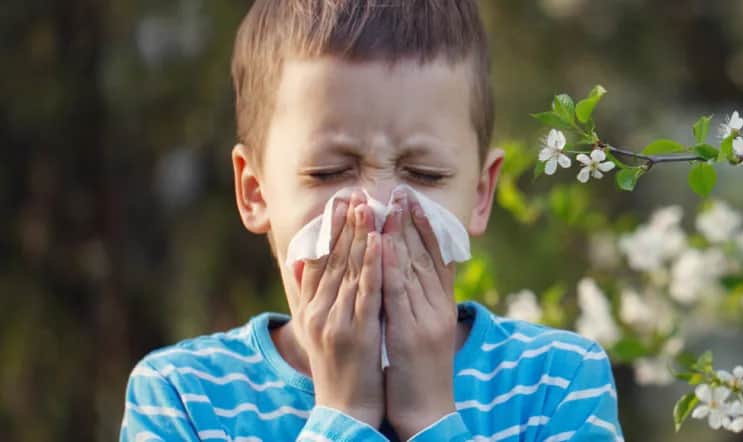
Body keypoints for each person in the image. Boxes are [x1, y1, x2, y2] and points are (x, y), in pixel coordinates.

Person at [120, 1, 622, 440]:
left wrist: (431, 419)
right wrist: (343, 417)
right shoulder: (182, 397)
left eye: (423, 174)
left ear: (480, 193)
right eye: (329, 172)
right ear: (255, 191)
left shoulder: (559, 383)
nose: (377, 214)